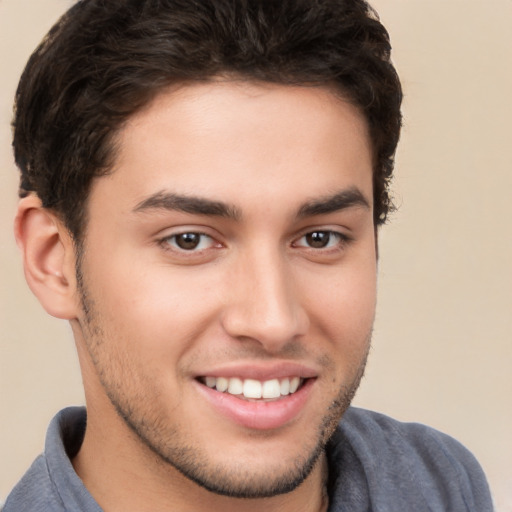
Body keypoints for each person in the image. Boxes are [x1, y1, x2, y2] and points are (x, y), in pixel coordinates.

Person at [3, 0, 494, 511]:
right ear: (53, 261)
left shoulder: (438, 484)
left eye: (320, 238)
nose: (273, 321)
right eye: (188, 240)